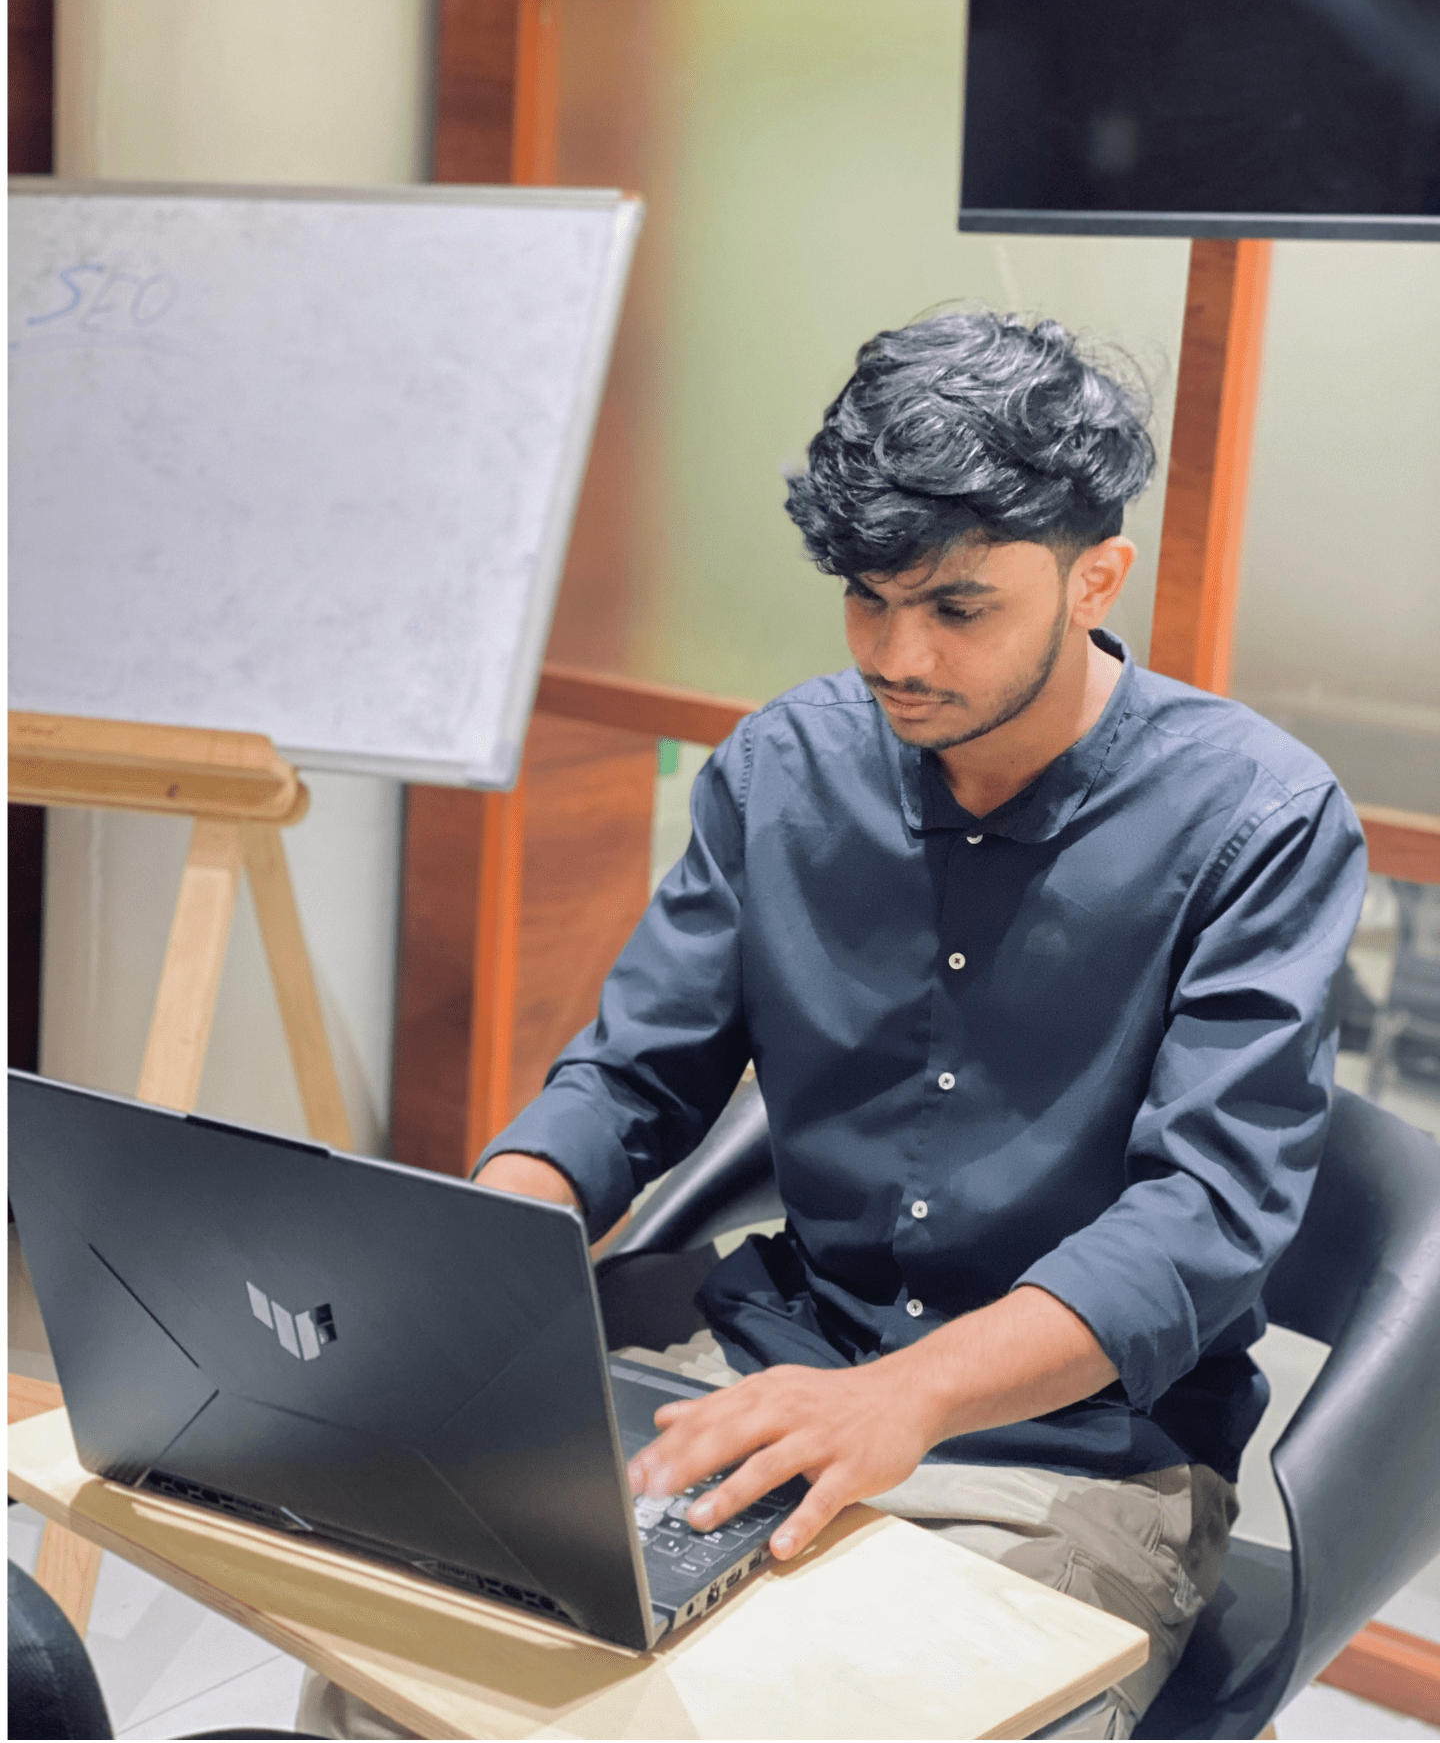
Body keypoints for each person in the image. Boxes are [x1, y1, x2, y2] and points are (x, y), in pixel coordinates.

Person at [304, 310, 1367, 1741]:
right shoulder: (785, 768)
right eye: (867, 599)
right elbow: (631, 1081)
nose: (897, 654)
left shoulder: (1259, 819)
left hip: (1073, 1453)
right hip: (765, 1371)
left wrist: (904, 1401)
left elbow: (1206, 1217)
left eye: (957, 608)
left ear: (1095, 575)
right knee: (403, 1646)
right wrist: (489, 1240)